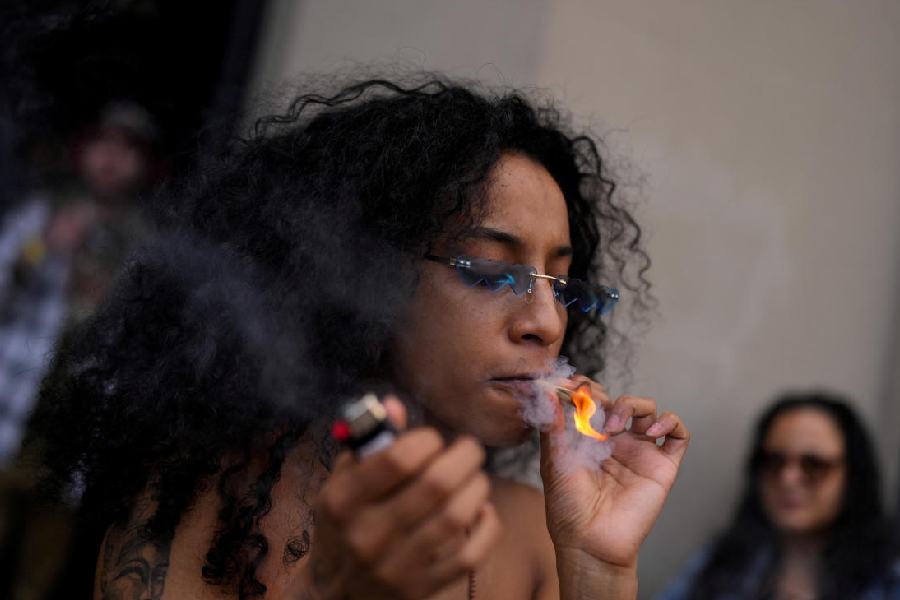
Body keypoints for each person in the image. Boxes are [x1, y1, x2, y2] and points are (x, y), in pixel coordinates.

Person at [33, 76, 690, 600]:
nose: (545, 322)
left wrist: (599, 570)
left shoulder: (535, 538)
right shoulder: (213, 507)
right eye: (491, 272)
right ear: (363, 279)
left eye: (564, 285)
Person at [660, 391, 900, 600]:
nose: (788, 479)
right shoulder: (722, 563)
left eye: (814, 464)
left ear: (853, 475)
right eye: (774, 462)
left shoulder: (889, 581)